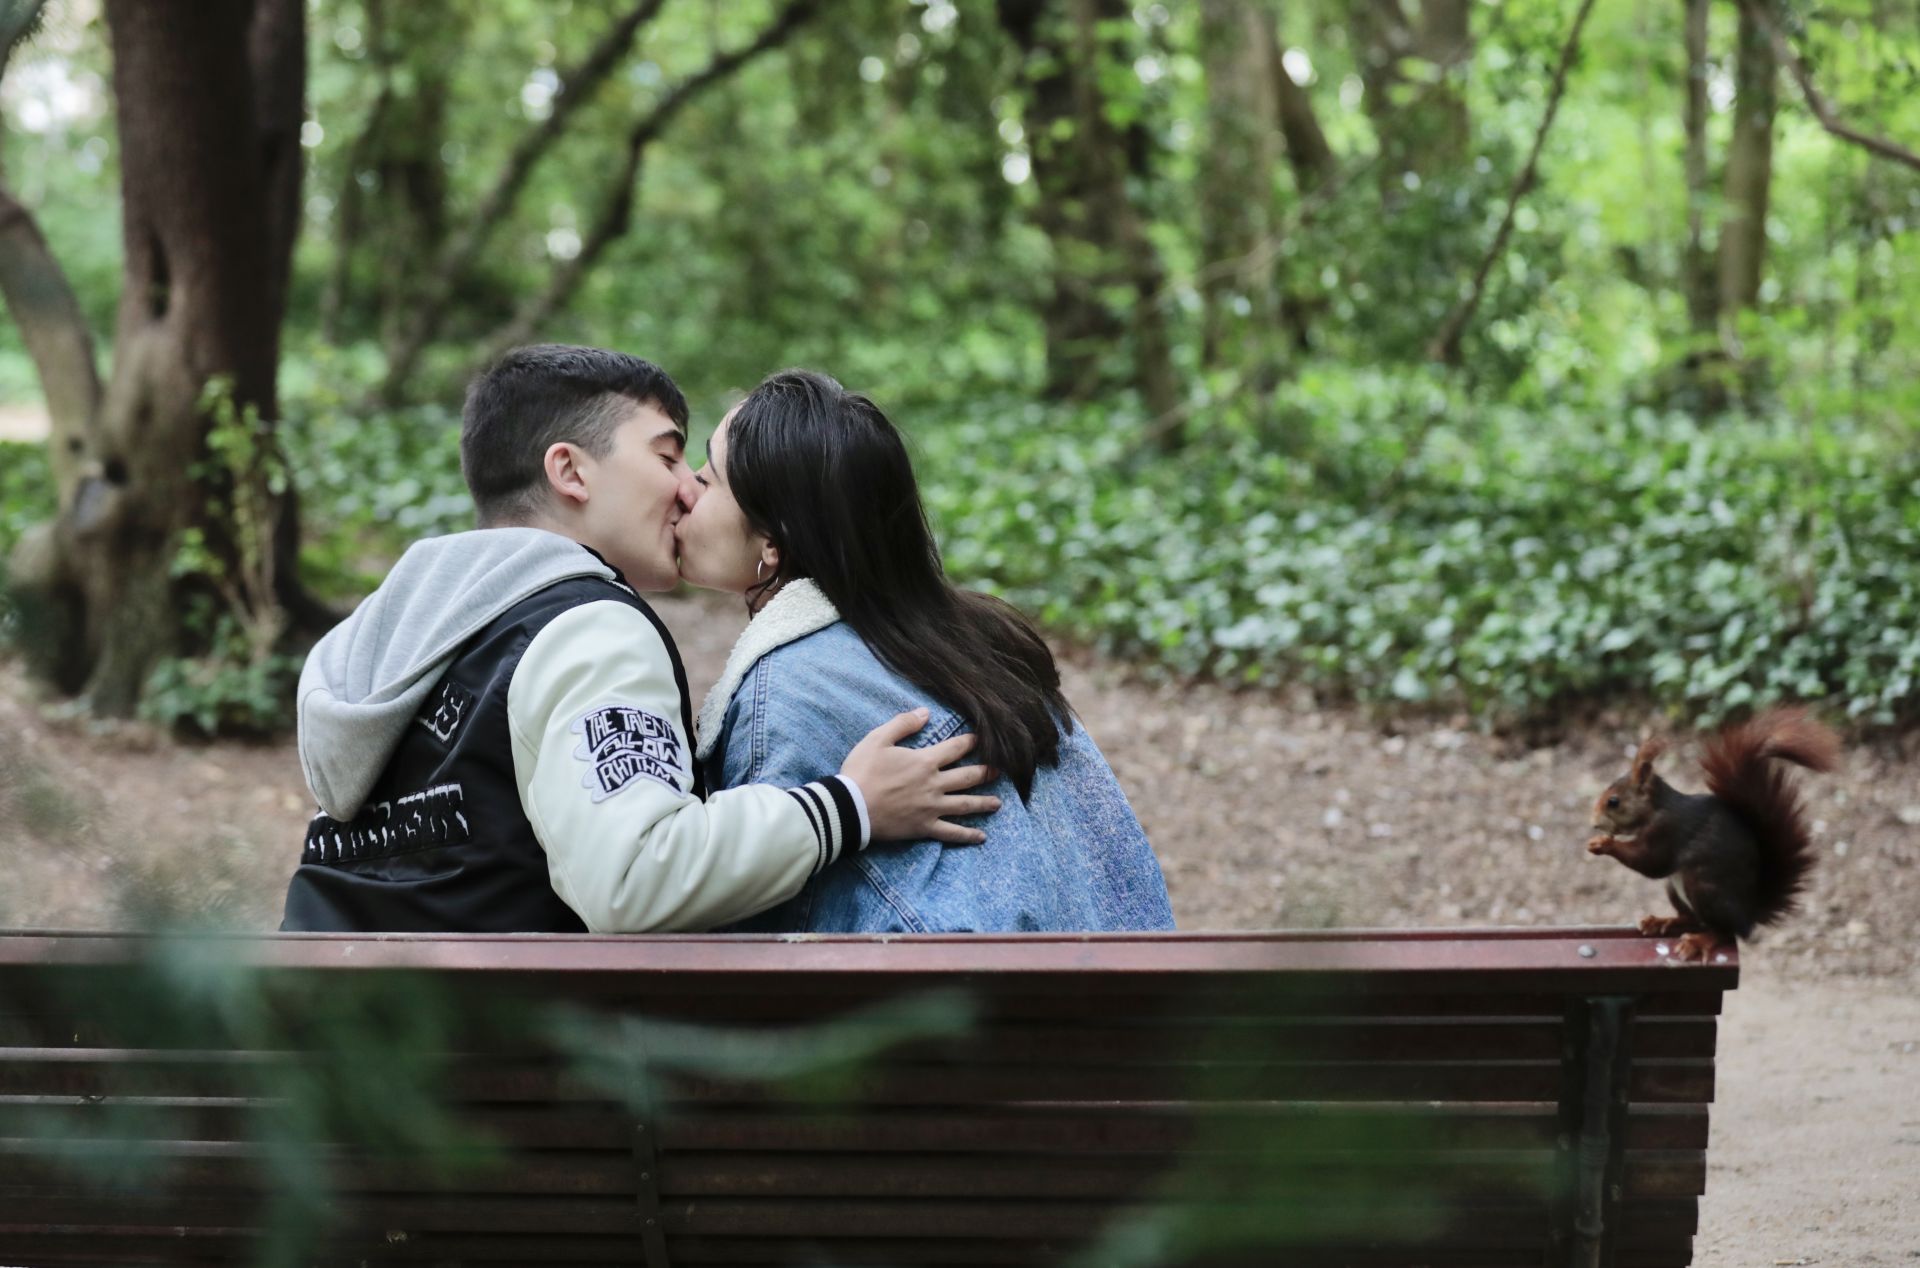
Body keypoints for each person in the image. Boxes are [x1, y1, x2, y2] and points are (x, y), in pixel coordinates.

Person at [281, 346, 999, 934]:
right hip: (487, 1064)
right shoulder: (588, 628)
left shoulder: (402, 633)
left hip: (330, 1047)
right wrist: (849, 806)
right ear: (569, 471)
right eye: (666, 458)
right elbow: (634, 877)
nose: (688, 488)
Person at [675, 369, 1175, 933]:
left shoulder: (786, 692)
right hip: (1118, 996)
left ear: (774, 541)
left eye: (708, 475)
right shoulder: (981, 640)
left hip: (963, 1007)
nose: (684, 488)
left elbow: (750, 938)